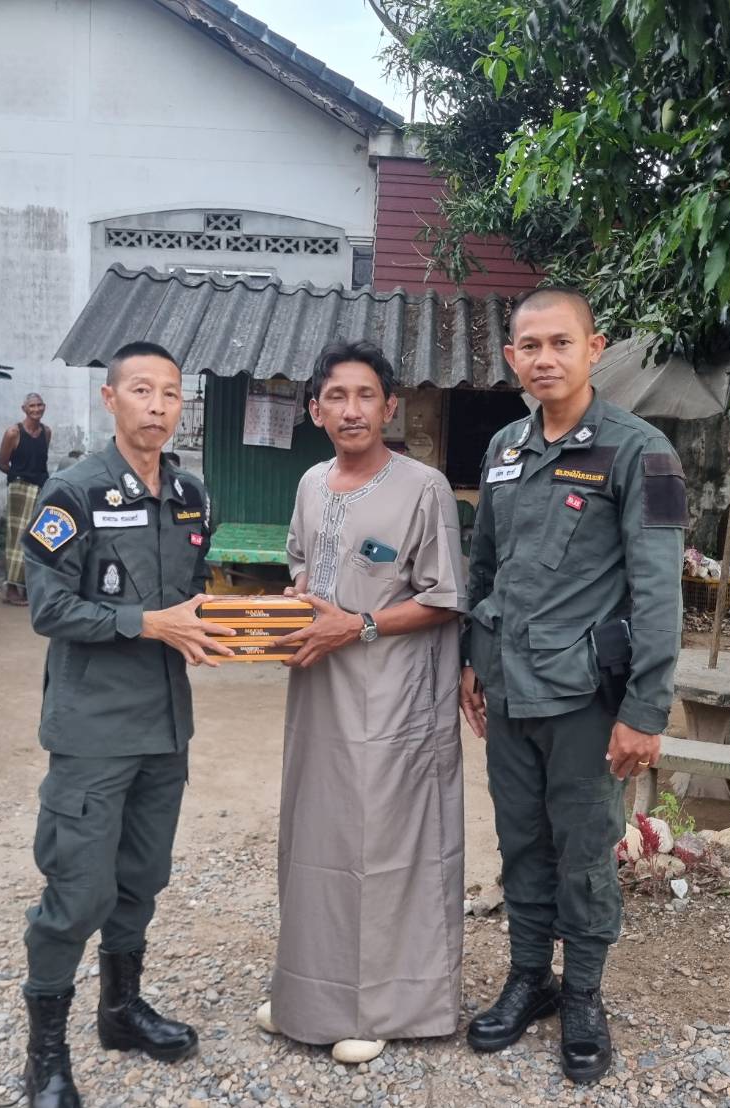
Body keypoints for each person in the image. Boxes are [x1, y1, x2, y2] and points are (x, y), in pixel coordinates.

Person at [460, 287, 686, 1084]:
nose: (544, 358)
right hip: (509, 688)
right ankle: (530, 978)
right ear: (511, 357)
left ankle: (583, 994)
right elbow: (483, 562)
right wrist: (470, 658)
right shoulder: (503, 448)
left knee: (584, 854)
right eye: (529, 345)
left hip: (586, 700)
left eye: (560, 342)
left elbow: (658, 592)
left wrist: (644, 710)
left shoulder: (642, 452)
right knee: (521, 842)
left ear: (594, 349)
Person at [17, 341, 235, 1108]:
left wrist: (225, 629)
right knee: (78, 890)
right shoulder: (73, 493)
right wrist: (147, 623)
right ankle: (45, 1056)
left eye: (170, 393)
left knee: (141, 877)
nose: (157, 405)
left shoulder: (191, 496)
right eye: (141, 390)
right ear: (110, 399)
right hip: (92, 728)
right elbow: (47, 607)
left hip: (164, 726)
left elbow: (190, 602)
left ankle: (120, 1011)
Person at [255, 340, 466, 1065]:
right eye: (336, 397)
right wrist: (292, 606)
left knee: (382, 843)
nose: (352, 409)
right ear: (315, 410)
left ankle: (380, 1005)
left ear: (389, 406)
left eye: (366, 395)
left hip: (394, 698)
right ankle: (309, 991)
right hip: (318, 685)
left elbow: (445, 597)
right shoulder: (311, 483)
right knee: (316, 834)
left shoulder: (424, 488)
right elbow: (300, 563)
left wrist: (359, 624)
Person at [0, 393, 52, 606]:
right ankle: (12, 589)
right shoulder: (13, 433)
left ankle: (29, 586)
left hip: (41, 487)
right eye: (32, 406)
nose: (36, 409)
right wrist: (21, 476)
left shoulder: (46, 432)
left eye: (39, 405)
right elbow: (3, 464)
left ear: (44, 407)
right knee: (17, 538)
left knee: (37, 537)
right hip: (20, 489)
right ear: (24, 409)